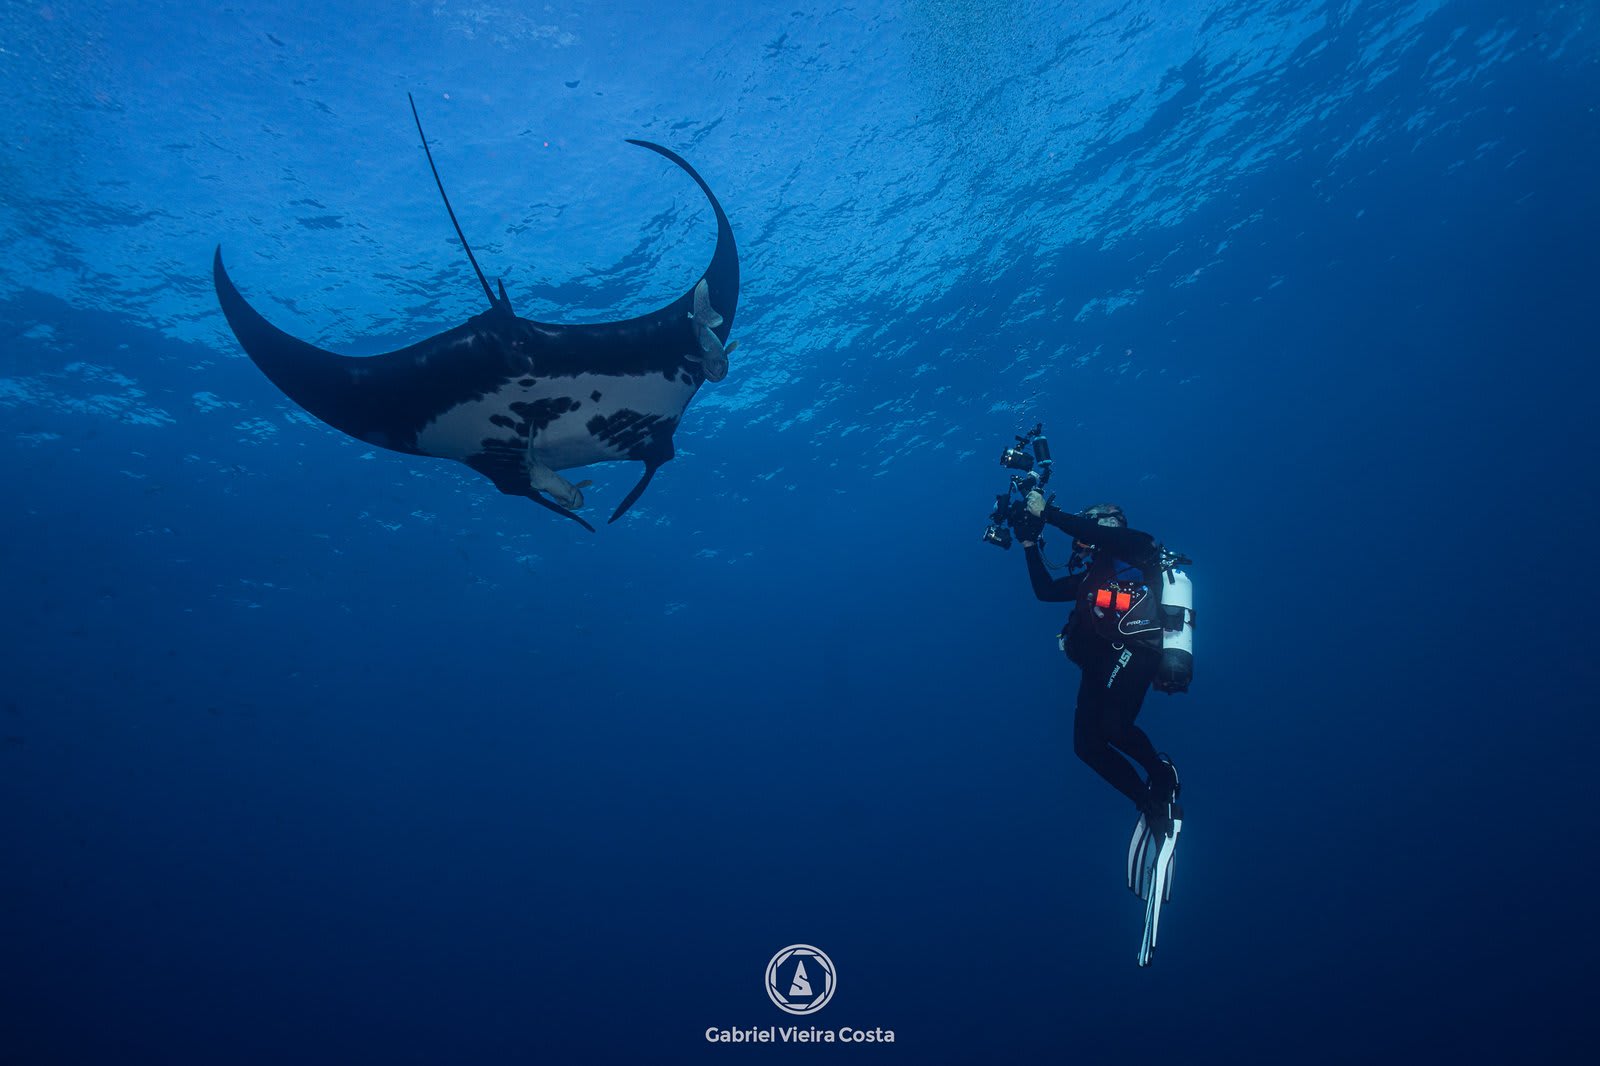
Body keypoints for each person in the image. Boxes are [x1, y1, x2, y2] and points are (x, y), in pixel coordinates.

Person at [1013, 491, 1179, 829]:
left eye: (1090, 525)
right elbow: (1045, 591)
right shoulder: (1094, 576)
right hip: (1101, 663)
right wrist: (1029, 545)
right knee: (1086, 745)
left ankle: (1163, 778)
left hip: (1137, 649)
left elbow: (1102, 536)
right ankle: (1147, 803)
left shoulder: (1139, 547)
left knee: (1115, 728)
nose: (1083, 536)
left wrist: (1050, 513)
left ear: (1108, 522)